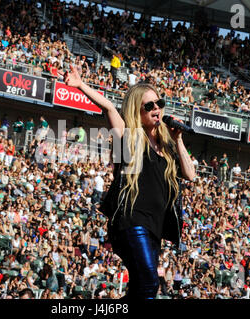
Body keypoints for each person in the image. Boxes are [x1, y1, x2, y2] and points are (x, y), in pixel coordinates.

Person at [64, 64, 195, 299]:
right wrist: (81, 84)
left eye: (159, 104)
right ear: (138, 110)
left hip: (155, 227)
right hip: (132, 221)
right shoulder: (129, 137)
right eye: (149, 105)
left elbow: (190, 175)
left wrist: (178, 140)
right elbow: (109, 108)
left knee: (142, 288)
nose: (157, 108)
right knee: (148, 282)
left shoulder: (167, 145)